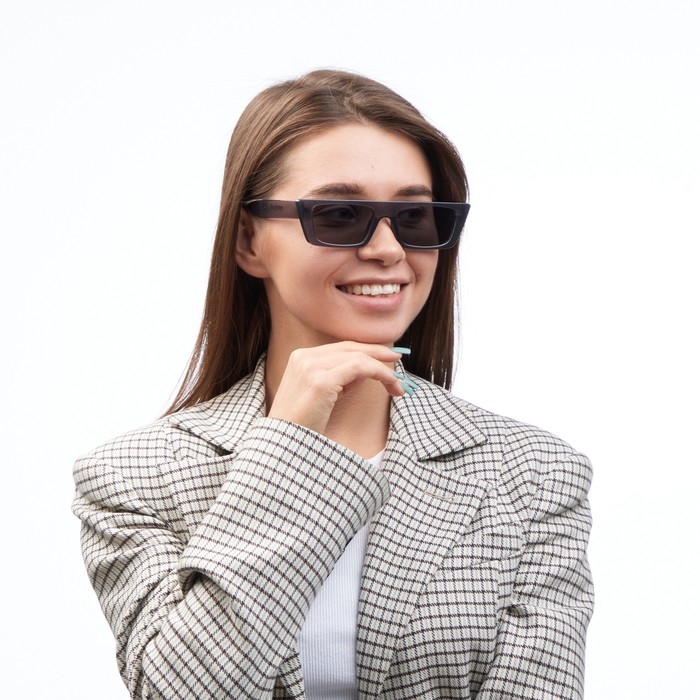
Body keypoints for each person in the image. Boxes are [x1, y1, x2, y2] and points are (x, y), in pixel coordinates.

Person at [72, 69, 594, 699]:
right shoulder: (134, 477)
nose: (387, 249)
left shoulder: (534, 475)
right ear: (249, 241)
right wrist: (288, 448)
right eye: (340, 214)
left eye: (414, 216)